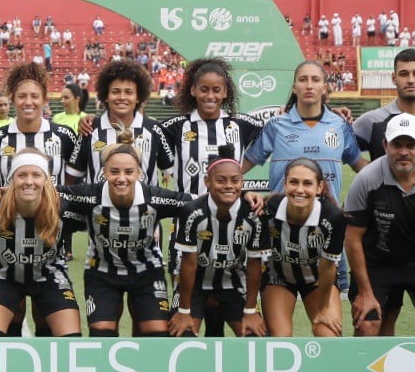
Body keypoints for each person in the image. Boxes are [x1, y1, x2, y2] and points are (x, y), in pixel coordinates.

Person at [343, 113, 415, 338]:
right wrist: (366, 293)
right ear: (385, 145)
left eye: (411, 144)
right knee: (368, 326)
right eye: (397, 144)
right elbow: (353, 238)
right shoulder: (366, 179)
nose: (404, 151)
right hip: (379, 262)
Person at [60, 144, 195, 337]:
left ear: (139, 173)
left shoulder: (155, 198)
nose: (121, 178)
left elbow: (200, 201)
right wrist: (1, 191)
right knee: (101, 335)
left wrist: (245, 196)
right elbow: (46, 190)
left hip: (146, 272)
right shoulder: (89, 194)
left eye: (129, 172)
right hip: (102, 272)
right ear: (104, 172)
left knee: (156, 336)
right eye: (114, 171)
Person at [0, 151, 80, 337]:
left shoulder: (64, 205)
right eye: (21, 175)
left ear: (46, 180)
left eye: (36, 175)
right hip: (5, 275)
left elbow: (99, 194)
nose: (29, 181)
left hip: (50, 276)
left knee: (70, 342)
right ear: (12, 179)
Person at [170, 153, 266, 339]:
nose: (229, 185)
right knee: (182, 336)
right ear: (207, 181)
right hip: (195, 283)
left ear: (242, 182)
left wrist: (250, 311)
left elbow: (255, 264)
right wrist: (183, 311)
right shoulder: (192, 212)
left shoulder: (254, 214)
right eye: (221, 180)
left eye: (235, 180)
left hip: (233, 280)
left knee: (255, 337)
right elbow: (188, 264)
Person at [243, 60, 367, 195]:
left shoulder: (341, 125)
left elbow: (360, 165)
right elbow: (244, 165)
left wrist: (390, 170)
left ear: (324, 87)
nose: (309, 85)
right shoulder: (275, 125)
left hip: (326, 214)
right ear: (294, 88)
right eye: (303, 80)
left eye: (315, 80)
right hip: (282, 213)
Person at [254, 158, 345, 338]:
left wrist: (325, 307)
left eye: (307, 183)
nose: (300, 190)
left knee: (328, 335)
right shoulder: (269, 209)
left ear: (319, 188)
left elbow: (328, 267)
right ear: (285, 184)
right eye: (294, 182)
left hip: (318, 280)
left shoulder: (333, 217)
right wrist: (247, 195)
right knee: (280, 340)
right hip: (278, 277)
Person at [159, 57, 264, 196]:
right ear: (193, 90)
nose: (210, 96)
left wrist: (240, 169)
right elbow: (150, 138)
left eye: (216, 90)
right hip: (188, 214)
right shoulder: (175, 126)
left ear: (225, 92)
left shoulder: (242, 124)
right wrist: (171, 170)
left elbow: (273, 130)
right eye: (204, 89)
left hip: (229, 216)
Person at [0, 62, 83, 188]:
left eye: (35, 96)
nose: (28, 102)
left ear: (45, 99)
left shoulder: (64, 135)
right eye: (22, 96)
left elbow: (74, 177)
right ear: (12, 99)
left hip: (55, 208)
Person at [76, 60, 174, 187]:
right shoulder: (89, 128)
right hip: (98, 206)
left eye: (129, 92)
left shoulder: (154, 129)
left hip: (145, 206)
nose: (122, 97)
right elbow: (73, 175)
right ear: (105, 96)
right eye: (115, 92)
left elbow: (172, 172)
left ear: (138, 97)